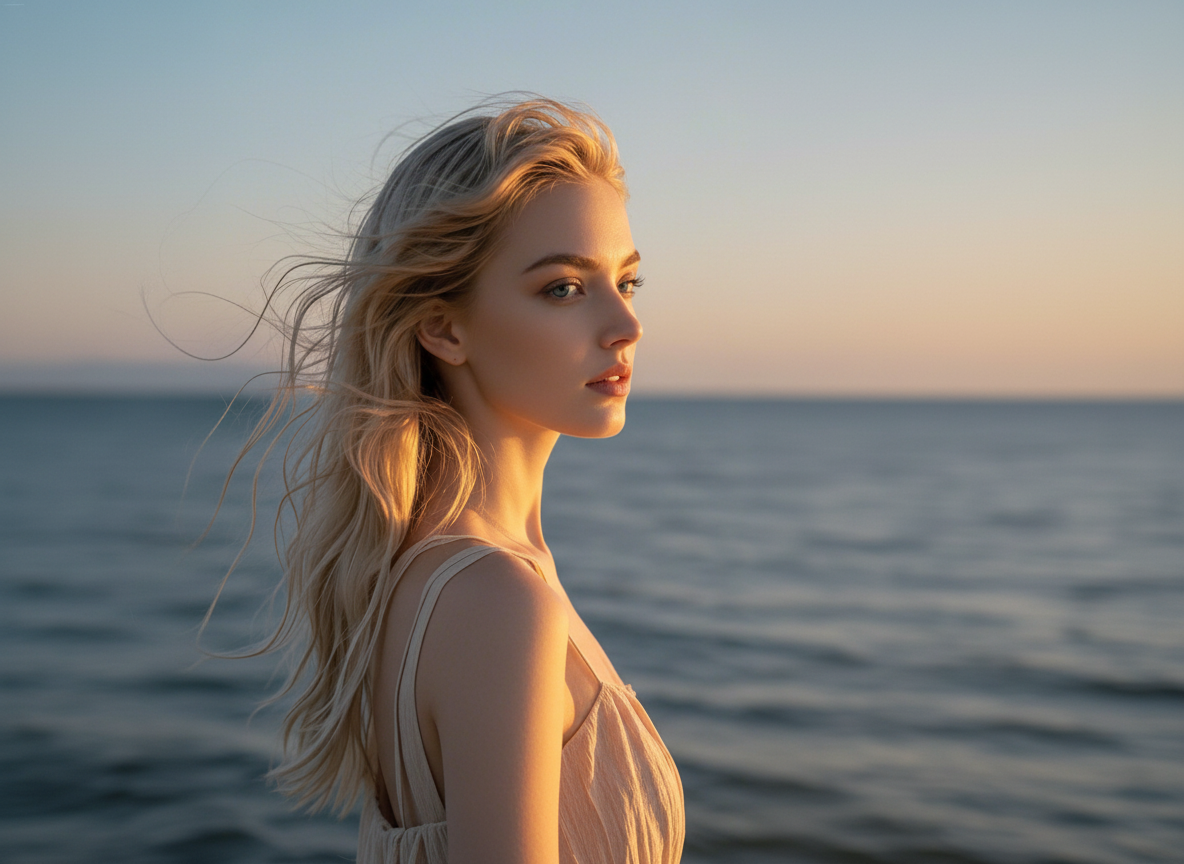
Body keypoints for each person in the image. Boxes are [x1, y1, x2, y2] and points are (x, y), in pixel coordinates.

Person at [233, 97, 684, 864]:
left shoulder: (434, 572)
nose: (626, 326)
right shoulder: (496, 601)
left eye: (627, 281)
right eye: (564, 288)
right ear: (443, 326)